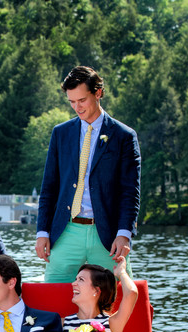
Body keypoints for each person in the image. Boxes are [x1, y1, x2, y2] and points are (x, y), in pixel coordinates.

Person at [36, 65, 140, 282]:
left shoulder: (124, 136)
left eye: (81, 100)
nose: (76, 107)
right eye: (71, 101)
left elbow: (130, 192)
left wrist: (124, 234)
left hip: (108, 235)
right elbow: (49, 188)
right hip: (66, 231)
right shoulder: (60, 133)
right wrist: (42, 233)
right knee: (52, 303)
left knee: (121, 298)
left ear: (98, 92)